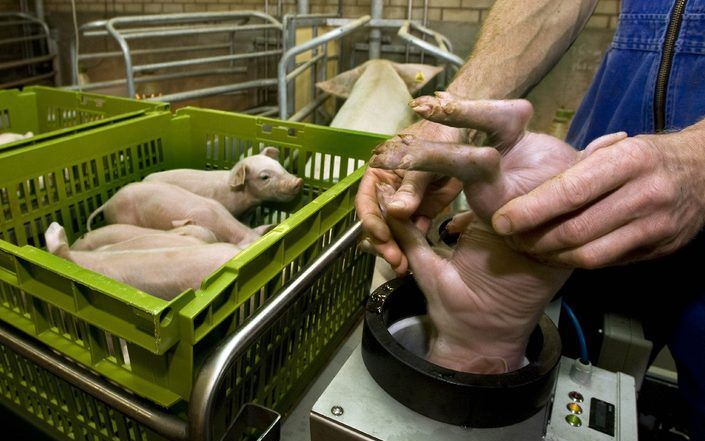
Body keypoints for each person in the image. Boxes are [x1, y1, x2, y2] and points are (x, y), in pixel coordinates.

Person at [355, 0, 705, 438]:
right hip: (591, 195)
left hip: (585, 170)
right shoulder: (459, 318)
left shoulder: (476, 326)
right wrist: (403, 219)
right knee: (512, 227)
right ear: (497, 368)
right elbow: (423, 258)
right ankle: (478, 157)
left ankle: (502, 132)